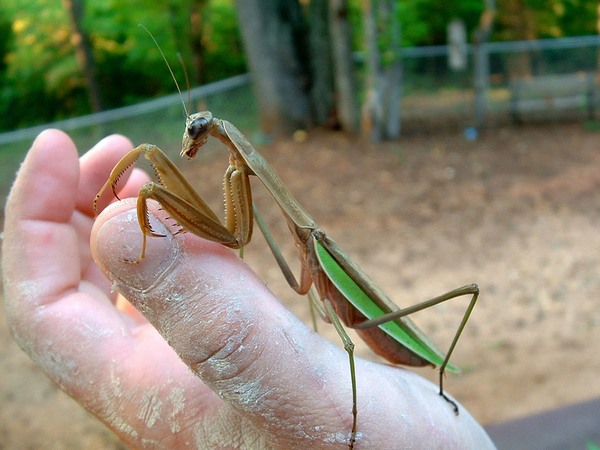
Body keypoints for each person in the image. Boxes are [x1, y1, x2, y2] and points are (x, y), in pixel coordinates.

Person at [2, 129, 496, 449]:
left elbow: (241, 240)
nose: (189, 142)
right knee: (158, 167)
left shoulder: (304, 232)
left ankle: (443, 380)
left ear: (220, 135)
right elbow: (240, 233)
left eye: (196, 133)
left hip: (390, 334)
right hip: (339, 299)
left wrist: (355, 436)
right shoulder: (244, 179)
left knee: (449, 296)